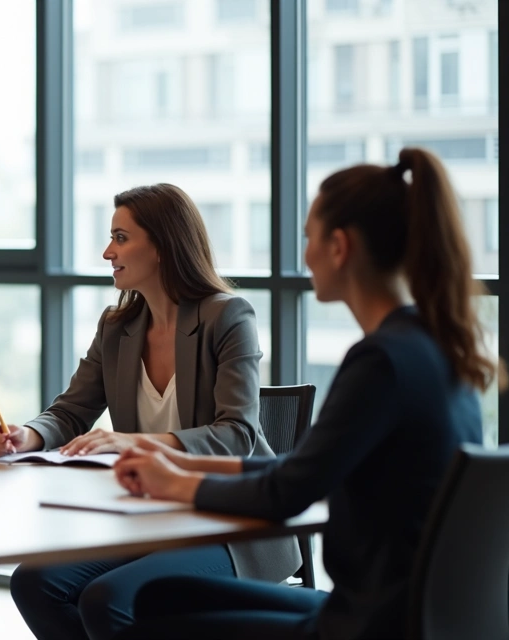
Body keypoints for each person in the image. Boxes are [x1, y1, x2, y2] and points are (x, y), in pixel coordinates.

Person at [112, 148, 492, 640]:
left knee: (142, 627)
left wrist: (172, 484)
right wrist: (182, 465)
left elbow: (287, 493)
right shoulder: (431, 344)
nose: (305, 254)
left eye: (309, 238)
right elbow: (305, 469)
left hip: (369, 623)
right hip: (410, 610)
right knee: (159, 598)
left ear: (340, 247)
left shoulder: (381, 362)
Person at [0, 183, 300, 640]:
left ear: (165, 246)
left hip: (230, 526)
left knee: (108, 598)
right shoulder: (117, 328)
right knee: (35, 583)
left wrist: (128, 441)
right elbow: (70, 412)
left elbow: (237, 434)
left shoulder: (228, 317)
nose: (108, 251)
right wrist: (24, 436)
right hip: (149, 518)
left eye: (121, 237)